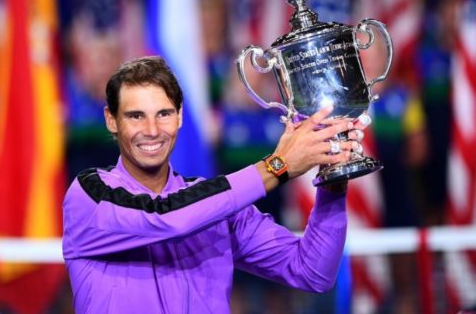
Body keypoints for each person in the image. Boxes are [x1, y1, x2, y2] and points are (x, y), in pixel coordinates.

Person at [62, 56, 369, 313]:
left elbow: (311, 271)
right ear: (111, 120)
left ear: (180, 116)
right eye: (136, 116)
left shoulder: (216, 206)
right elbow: (165, 217)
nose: (152, 130)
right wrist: (277, 166)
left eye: (164, 114)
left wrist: (333, 178)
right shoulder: (88, 195)